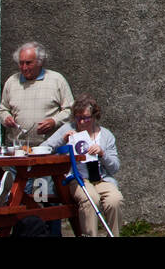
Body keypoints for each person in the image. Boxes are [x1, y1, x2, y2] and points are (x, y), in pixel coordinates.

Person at [46, 95, 122, 236]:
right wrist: (63, 142)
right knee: (91, 198)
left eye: (86, 118)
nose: (81, 121)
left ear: (94, 116)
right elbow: (46, 147)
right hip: (77, 177)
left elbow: (115, 167)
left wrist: (102, 154)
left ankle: (114, 235)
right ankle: (89, 235)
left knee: (115, 199)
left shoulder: (106, 135)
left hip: (101, 178)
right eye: (78, 117)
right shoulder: (68, 128)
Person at [0, 41, 74, 145]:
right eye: (21, 63)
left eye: (28, 63)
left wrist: (54, 121)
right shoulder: (11, 82)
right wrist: (6, 118)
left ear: (40, 62)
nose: (24, 67)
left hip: (51, 146)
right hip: (19, 147)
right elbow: (3, 109)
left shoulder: (57, 80)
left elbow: (70, 110)